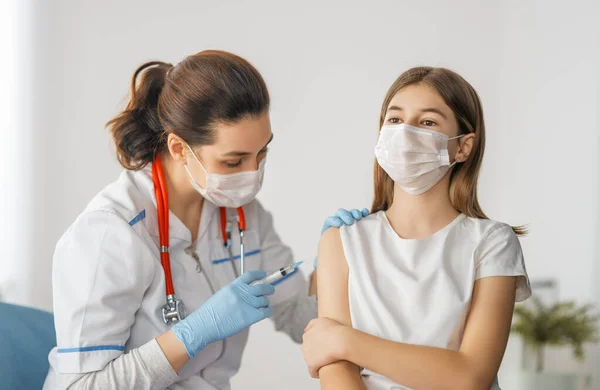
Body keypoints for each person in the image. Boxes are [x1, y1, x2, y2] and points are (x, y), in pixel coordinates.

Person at [43, 50, 365, 390]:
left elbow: (299, 318)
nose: (252, 174)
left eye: (262, 153)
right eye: (233, 161)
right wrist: (194, 333)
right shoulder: (110, 232)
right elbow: (77, 386)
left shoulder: (243, 216)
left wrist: (333, 267)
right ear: (180, 149)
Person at [302, 67, 532, 390]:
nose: (405, 133)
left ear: (463, 147)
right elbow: (337, 372)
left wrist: (345, 340)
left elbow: (469, 377)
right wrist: (340, 347)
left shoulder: (492, 243)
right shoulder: (340, 241)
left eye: (427, 122)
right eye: (394, 120)